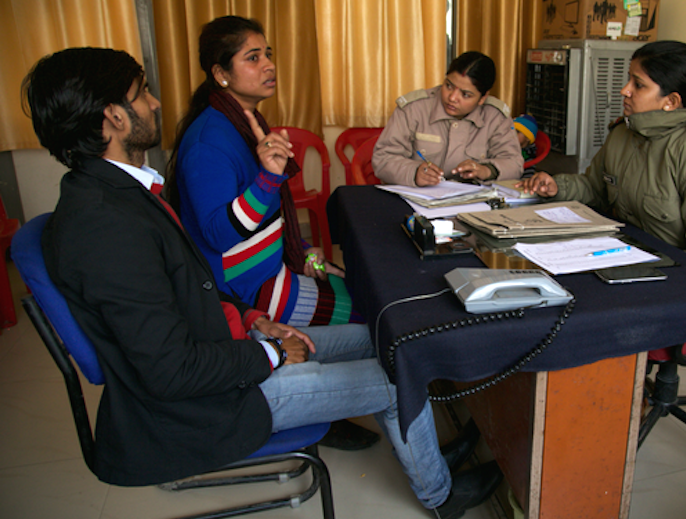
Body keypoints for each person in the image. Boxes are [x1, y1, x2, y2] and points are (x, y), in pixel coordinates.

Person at [23, 46, 501, 518]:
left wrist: (256, 321)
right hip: (212, 399)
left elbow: (188, 289)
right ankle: (440, 496)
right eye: (142, 93)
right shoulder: (105, 228)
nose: (155, 103)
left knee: (381, 337)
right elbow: (168, 371)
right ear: (114, 117)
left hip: (224, 342)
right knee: (400, 377)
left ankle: (427, 458)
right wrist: (269, 353)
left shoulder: (116, 191)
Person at [165, 16, 378, 449]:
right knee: (365, 313)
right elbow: (221, 234)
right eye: (253, 57)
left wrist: (306, 254)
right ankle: (320, 408)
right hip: (245, 287)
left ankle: (323, 395)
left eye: (268, 55)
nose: (268, 66)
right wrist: (267, 178)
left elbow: (268, 221)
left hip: (268, 270)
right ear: (221, 74)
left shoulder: (242, 119)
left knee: (357, 288)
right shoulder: (210, 140)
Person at [517, 41, 686, 275]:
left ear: (671, 102)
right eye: (629, 79)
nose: (625, 90)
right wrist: (558, 186)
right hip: (622, 256)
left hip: (671, 278)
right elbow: (595, 188)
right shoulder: (623, 135)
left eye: (638, 85)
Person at [372, 51, 524, 187]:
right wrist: (414, 172)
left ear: (482, 98)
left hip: (472, 206)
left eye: (465, 94)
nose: (452, 98)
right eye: (449, 86)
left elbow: (514, 164)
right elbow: (383, 158)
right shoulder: (413, 109)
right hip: (416, 204)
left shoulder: (495, 117)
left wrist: (486, 170)